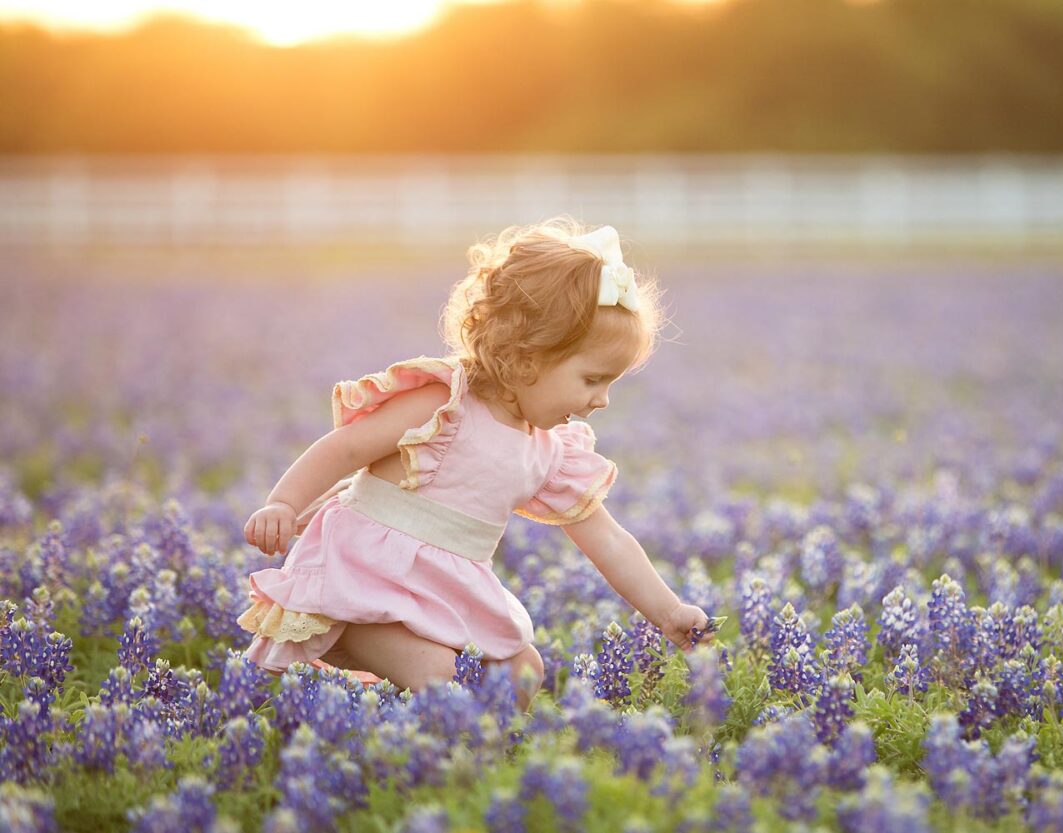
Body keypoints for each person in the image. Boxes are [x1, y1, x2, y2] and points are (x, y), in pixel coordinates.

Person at [237, 217, 710, 711]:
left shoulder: (550, 450)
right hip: (370, 574)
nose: (603, 400)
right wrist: (283, 503)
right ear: (528, 357)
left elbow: (609, 539)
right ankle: (352, 632)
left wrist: (668, 610)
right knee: (441, 678)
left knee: (527, 672)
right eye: (593, 380)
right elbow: (347, 447)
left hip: (447, 588)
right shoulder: (445, 406)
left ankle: (474, 740)